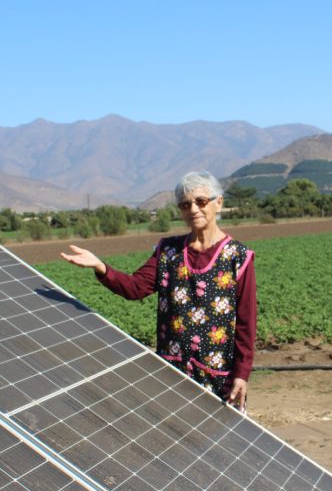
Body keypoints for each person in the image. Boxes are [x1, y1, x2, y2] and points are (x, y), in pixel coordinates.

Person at [62, 171, 256, 411]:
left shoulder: (238, 256)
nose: (193, 209)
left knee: (218, 442)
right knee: (173, 439)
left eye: (201, 201)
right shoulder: (168, 251)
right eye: (186, 204)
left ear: (219, 203)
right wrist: (101, 267)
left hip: (218, 374)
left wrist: (242, 373)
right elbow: (136, 287)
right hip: (172, 372)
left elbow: (246, 322)